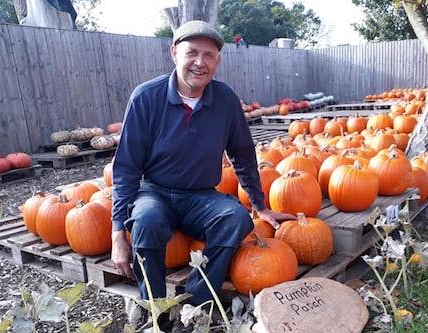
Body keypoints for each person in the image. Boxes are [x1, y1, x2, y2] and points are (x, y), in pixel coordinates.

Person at [111, 20, 292, 306]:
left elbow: (243, 155)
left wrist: (259, 205)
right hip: (155, 191)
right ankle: (155, 311)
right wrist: (118, 232)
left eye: (208, 56)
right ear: (174, 53)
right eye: (191, 53)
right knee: (146, 220)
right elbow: (126, 168)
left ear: (217, 61)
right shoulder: (146, 97)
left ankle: (196, 304)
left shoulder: (225, 100)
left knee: (236, 218)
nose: (200, 62)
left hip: (200, 196)